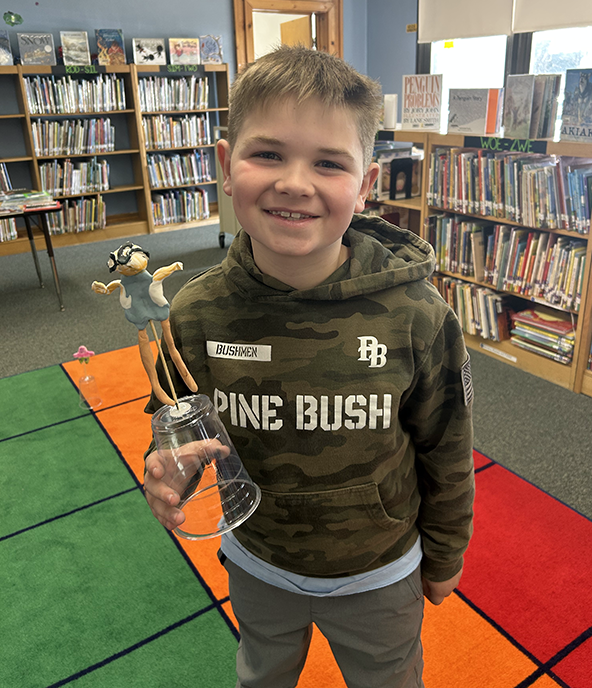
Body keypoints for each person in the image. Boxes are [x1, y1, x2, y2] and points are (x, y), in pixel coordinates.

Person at [143, 45, 475, 688]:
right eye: (268, 153)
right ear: (225, 164)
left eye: (328, 163)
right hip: (257, 561)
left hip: (380, 572)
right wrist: (169, 477)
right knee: (262, 677)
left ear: (367, 184)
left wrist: (446, 554)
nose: (295, 182)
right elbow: (178, 428)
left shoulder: (418, 315)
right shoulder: (195, 313)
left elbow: (447, 446)